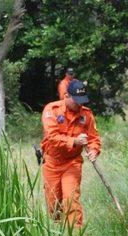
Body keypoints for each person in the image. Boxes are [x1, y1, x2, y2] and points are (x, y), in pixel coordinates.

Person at [40, 79, 101, 227]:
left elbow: (94, 138)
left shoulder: (86, 115)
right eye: (76, 100)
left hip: (72, 163)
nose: (79, 104)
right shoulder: (51, 110)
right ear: (66, 96)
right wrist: (74, 141)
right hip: (52, 162)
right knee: (54, 204)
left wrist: (93, 150)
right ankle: (57, 233)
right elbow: (52, 137)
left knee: (71, 199)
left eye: (82, 101)